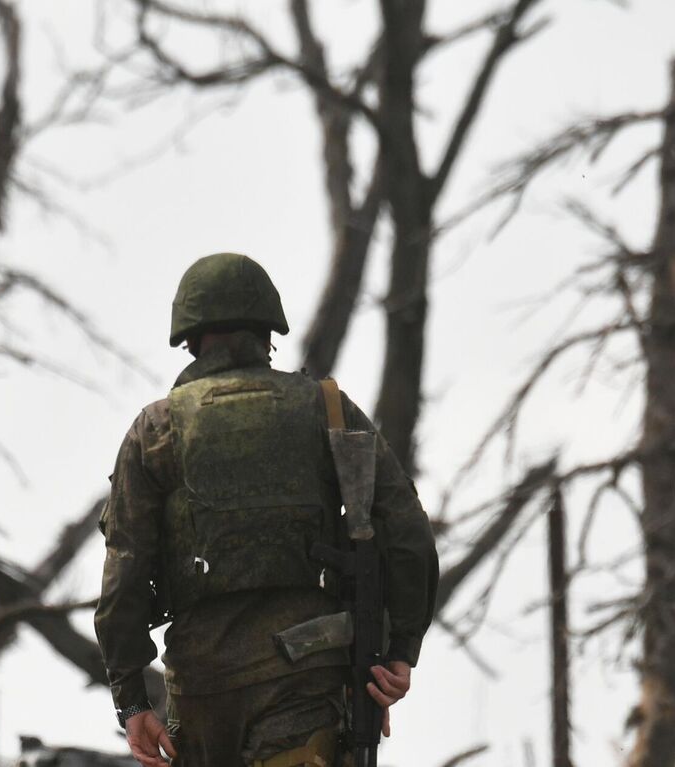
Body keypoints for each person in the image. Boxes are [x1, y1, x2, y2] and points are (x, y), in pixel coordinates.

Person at [94, 252, 439, 767]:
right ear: (268, 333)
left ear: (188, 338)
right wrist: (399, 651)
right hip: (307, 676)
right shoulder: (326, 409)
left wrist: (131, 698)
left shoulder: (158, 429)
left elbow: (124, 571)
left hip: (201, 686)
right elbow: (407, 533)